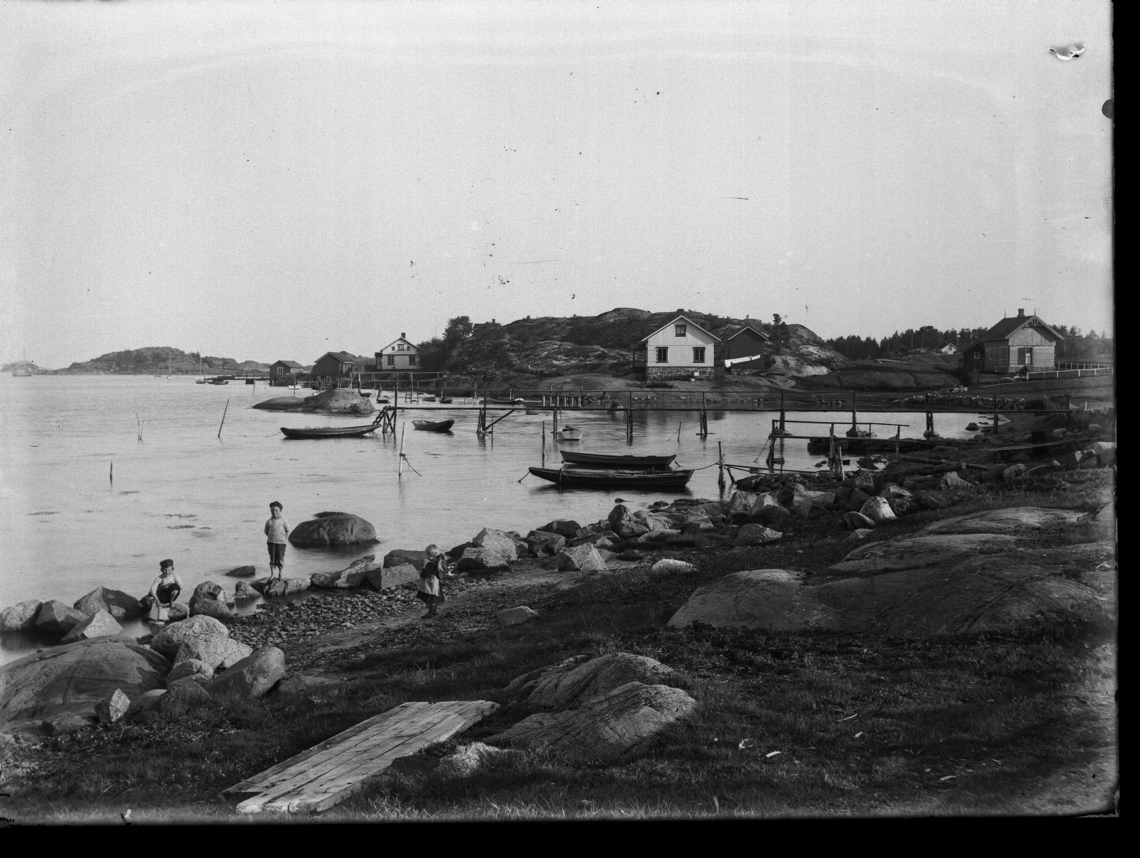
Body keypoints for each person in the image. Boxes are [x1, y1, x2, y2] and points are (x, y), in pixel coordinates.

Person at [416, 544, 450, 619]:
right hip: (436, 581)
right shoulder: (439, 561)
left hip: (430, 582)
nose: (426, 557)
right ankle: (433, 611)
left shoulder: (430, 564)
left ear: (430, 555)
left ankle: (430, 613)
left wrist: (424, 568)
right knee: (434, 596)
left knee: (431, 596)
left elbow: (425, 574)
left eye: (427, 555)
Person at [264, 501, 290, 579]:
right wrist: (271, 537)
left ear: (280, 511)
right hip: (271, 542)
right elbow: (266, 531)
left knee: (280, 557)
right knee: (272, 557)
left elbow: (288, 530)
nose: (274, 512)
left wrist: (285, 538)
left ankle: (280, 574)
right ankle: (272, 574)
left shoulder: (283, 520)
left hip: (281, 543)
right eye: (272, 510)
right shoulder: (269, 521)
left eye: (276, 510)